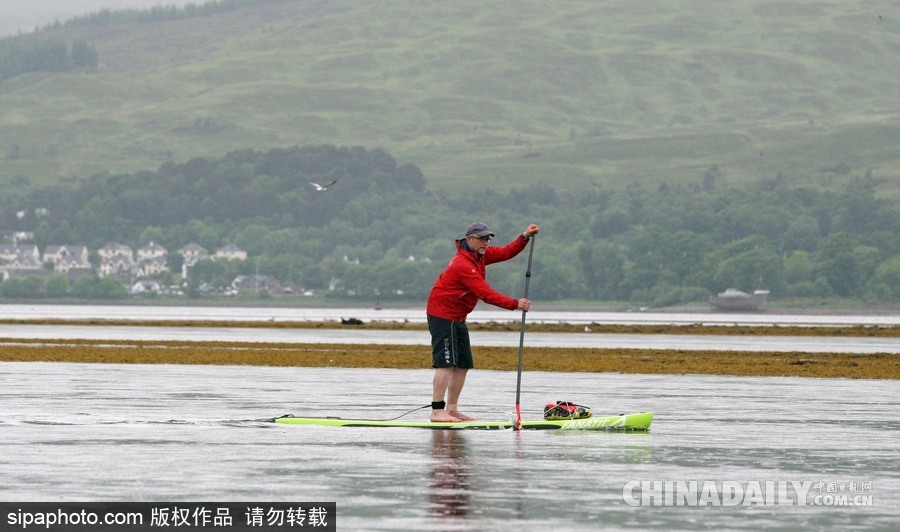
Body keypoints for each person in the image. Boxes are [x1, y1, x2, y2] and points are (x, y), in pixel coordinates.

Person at [426, 222, 540, 422]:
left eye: (488, 239)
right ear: (469, 239)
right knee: (446, 363)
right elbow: (485, 294)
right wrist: (515, 304)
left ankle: (451, 409)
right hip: (442, 315)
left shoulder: (480, 256)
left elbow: (506, 252)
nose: (486, 243)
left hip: (458, 317)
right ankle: (437, 411)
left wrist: (524, 237)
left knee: (462, 364)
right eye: (481, 239)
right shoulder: (463, 264)